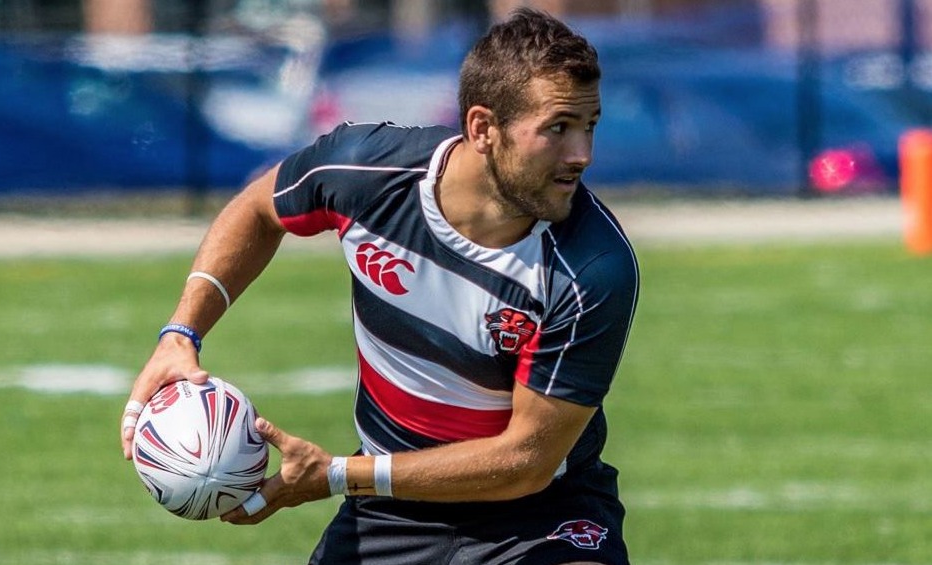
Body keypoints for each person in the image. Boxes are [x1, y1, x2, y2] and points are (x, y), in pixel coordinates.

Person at [120, 8, 639, 565]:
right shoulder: (367, 173)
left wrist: (337, 475)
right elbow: (257, 209)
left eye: (590, 125)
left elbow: (527, 461)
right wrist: (181, 334)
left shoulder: (592, 267)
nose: (581, 153)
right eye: (558, 128)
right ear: (483, 128)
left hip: (542, 513)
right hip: (391, 510)